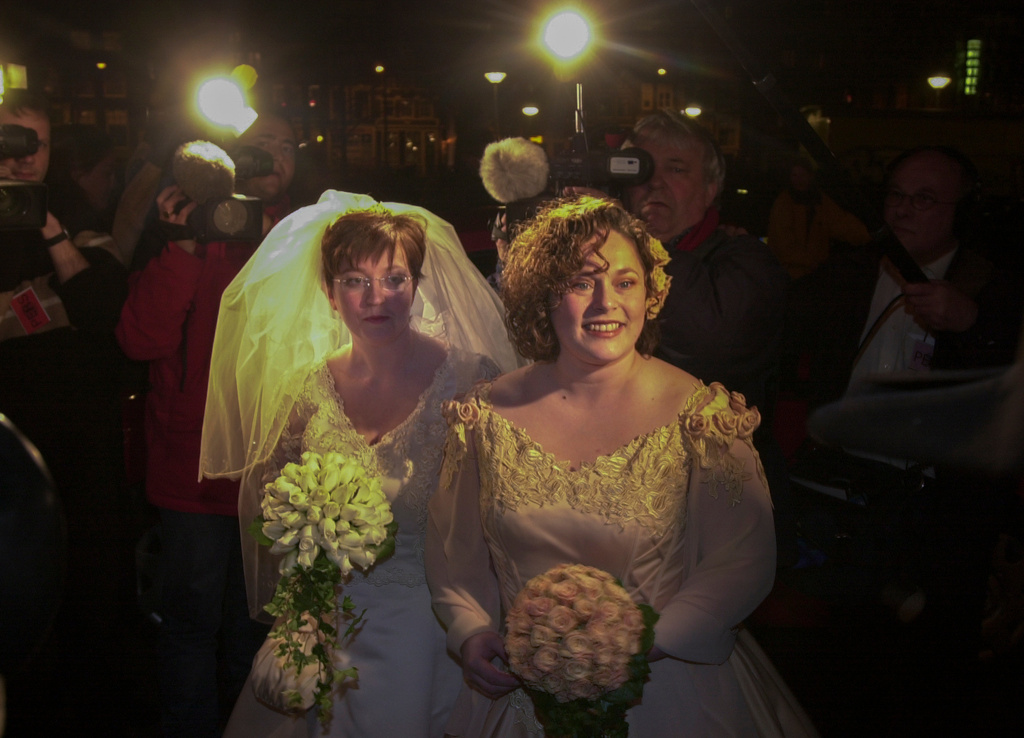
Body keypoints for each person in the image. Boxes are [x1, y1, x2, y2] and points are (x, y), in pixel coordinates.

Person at [426, 196, 818, 737]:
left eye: (626, 282)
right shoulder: (483, 415)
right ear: (544, 295)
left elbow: (742, 557)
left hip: (670, 691)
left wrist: (631, 649)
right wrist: (471, 631)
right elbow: (454, 553)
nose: (606, 303)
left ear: (652, 293)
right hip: (522, 694)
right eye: (583, 282)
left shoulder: (703, 417)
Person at [198, 190, 520, 737]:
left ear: (416, 286)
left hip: (434, 631)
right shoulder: (307, 390)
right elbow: (273, 509)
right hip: (329, 627)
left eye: (395, 278)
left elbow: (505, 511)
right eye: (355, 280)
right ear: (328, 293)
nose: (379, 297)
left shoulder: (471, 381)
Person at [784, 145, 1023, 734]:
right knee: (847, 657)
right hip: (854, 502)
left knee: (928, 675)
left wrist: (973, 324)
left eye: (925, 199)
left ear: (959, 210)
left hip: (941, 515)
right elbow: (784, 314)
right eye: (896, 195)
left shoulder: (992, 285)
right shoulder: (855, 268)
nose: (905, 210)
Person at [115, 111, 298, 737]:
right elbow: (140, 340)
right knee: (191, 620)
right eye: (258, 146)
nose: (270, 158)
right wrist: (184, 244)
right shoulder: (192, 233)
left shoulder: (306, 233)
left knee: (263, 623)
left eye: (285, 146)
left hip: (276, 468)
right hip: (190, 468)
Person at [582, 109, 796, 565]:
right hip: (615, 502)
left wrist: (622, 237)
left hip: (714, 511)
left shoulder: (744, 260)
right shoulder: (600, 258)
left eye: (676, 170)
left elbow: (714, 337)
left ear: (710, 188)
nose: (655, 184)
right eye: (641, 169)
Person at [767, 156, 871, 279]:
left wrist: (870, 235)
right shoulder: (784, 203)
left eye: (802, 175)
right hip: (787, 274)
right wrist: (810, 261)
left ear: (810, 176)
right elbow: (783, 244)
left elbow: (841, 224)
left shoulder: (820, 201)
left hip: (813, 274)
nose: (798, 180)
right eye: (794, 175)